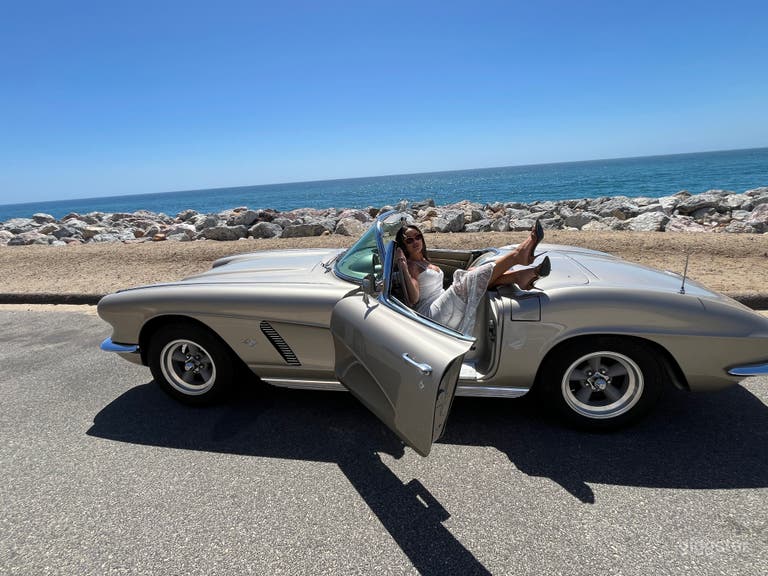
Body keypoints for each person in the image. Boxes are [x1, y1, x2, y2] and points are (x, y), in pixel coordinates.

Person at [395, 222, 550, 334]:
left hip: (441, 305)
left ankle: (520, 276)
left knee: (472, 274)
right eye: (409, 240)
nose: (415, 241)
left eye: (418, 237)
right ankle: (517, 255)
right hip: (430, 314)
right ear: (404, 246)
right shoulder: (412, 266)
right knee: (468, 279)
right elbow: (414, 299)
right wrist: (403, 265)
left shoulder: (423, 260)